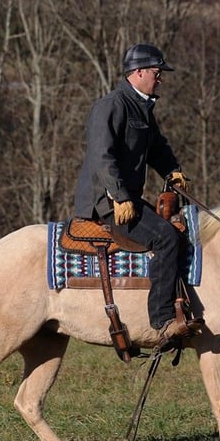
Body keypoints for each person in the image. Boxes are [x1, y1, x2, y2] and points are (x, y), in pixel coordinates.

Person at [73, 43, 197, 344]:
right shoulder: (111, 105)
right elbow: (103, 156)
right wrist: (119, 196)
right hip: (106, 203)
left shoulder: (141, 107)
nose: (161, 78)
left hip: (123, 198)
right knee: (165, 237)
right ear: (138, 72)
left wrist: (173, 170)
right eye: (157, 72)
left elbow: (157, 148)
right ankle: (162, 319)